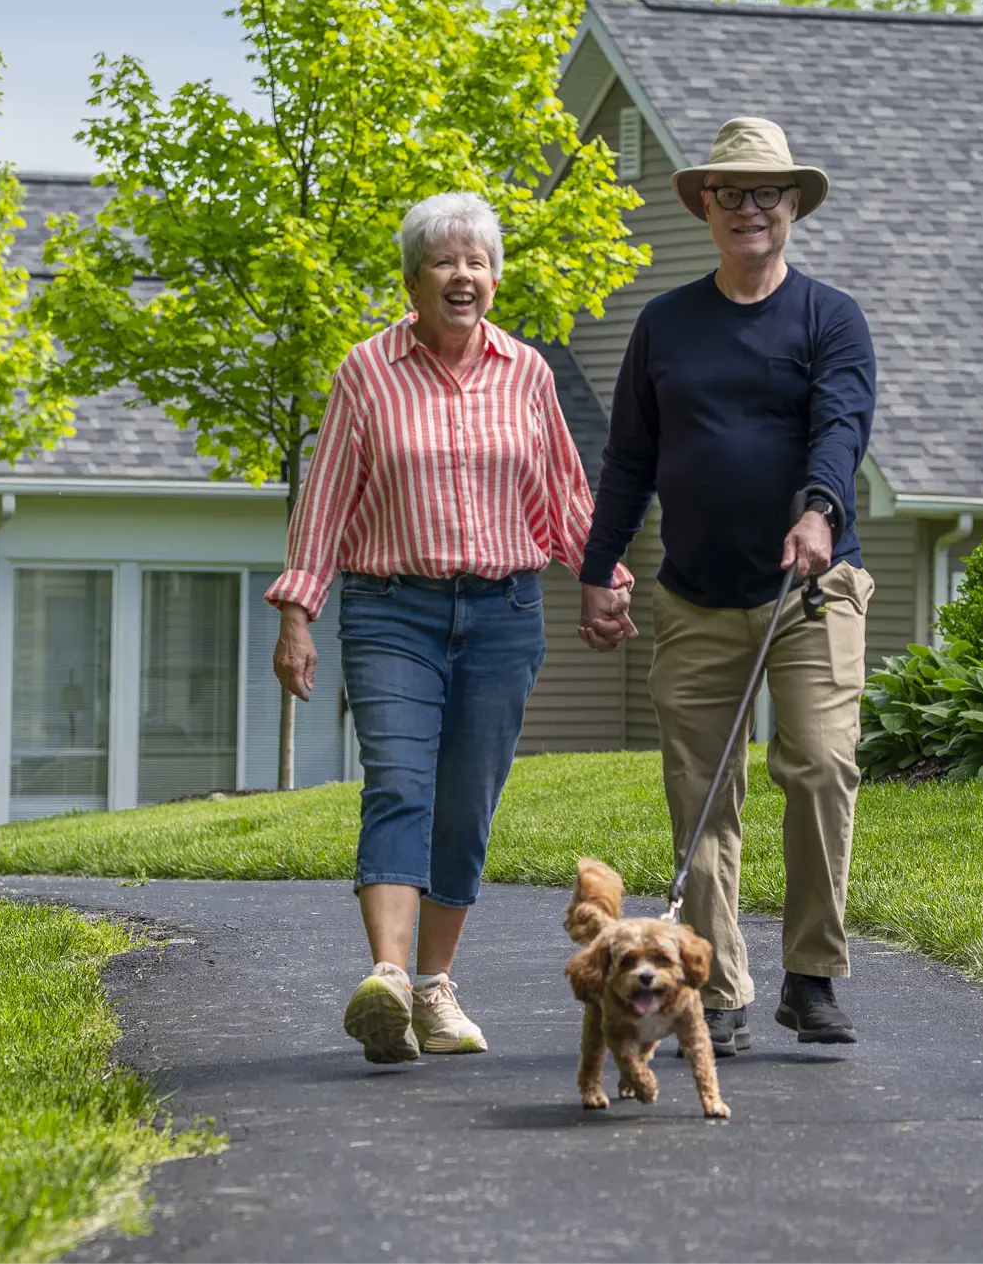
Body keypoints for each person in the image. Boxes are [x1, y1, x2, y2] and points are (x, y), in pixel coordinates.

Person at [268, 191, 632, 1065]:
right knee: (399, 782)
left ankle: (434, 989)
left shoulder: (528, 372)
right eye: (443, 261)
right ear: (413, 280)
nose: (462, 275)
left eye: (477, 261)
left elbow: (562, 493)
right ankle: (389, 980)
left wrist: (601, 579)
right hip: (392, 608)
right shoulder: (367, 371)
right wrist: (297, 613)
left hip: (504, 614)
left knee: (466, 805)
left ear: (495, 279)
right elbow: (327, 500)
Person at [578, 117, 878, 1055]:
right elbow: (629, 459)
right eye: (732, 193)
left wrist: (819, 508)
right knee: (702, 796)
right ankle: (720, 991)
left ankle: (812, 973)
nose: (751, 209)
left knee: (821, 764)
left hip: (808, 590)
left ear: (793, 206)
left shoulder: (830, 318)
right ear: (707, 206)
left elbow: (841, 425)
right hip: (696, 596)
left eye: (768, 193)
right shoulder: (664, 325)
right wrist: (599, 565)